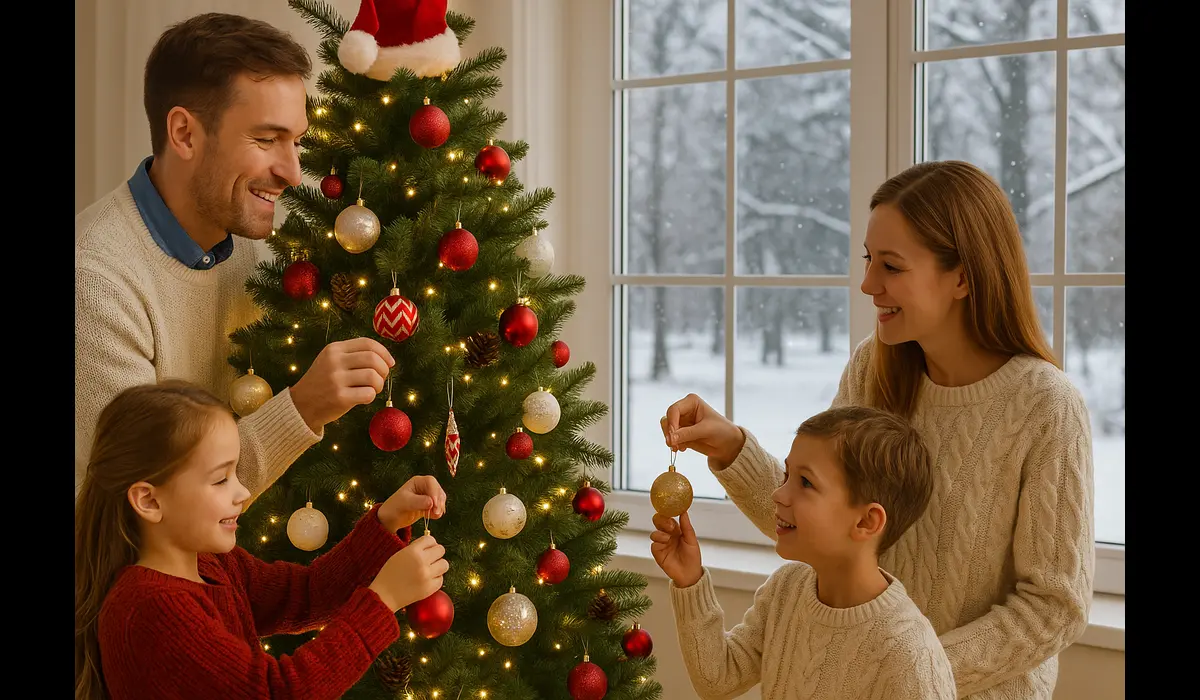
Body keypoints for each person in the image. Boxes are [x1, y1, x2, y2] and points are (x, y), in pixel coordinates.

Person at [661, 160, 1094, 699]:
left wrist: (900, 665)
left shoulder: (1045, 407)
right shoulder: (875, 368)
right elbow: (827, 519)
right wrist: (732, 449)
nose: (868, 284)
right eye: (869, 260)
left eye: (891, 266)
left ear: (962, 277)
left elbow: (1054, 607)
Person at [74, 12, 395, 499]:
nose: (293, 173)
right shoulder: (95, 283)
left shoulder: (255, 249)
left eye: (296, 142)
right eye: (266, 140)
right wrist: (303, 409)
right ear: (184, 134)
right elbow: (155, 498)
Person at [74, 380, 450, 700]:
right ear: (150, 501)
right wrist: (382, 601)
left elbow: (307, 593)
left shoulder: (213, 563)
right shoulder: (151, 610)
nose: (241, 493)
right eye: (220, 479)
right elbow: (276, 692)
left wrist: (387, 522)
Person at [652, 406, 956, 699]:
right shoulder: (787, 588)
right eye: (786, 476)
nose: (778, 493)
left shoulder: (911, 657)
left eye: (806, 482)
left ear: (866, 521)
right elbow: (717, 680)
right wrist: (690, 581)